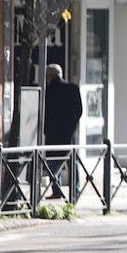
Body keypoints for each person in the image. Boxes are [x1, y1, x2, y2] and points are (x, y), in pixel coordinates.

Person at [44, 63, 83, 198]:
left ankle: (57, 190)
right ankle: (76, 190)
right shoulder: (73, 88)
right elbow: (79, 110)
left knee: (54, 163)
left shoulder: (48, 91)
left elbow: (45, 113)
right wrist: (72, 124)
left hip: (53, 133)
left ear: (50, 76)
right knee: (73, 162)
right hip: (70, 133)